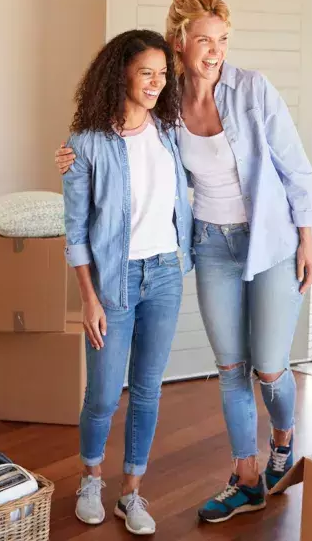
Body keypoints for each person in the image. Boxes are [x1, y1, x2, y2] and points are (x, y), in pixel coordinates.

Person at [56, 0, 312, 524]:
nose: (216, 50)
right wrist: (75, 153)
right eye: (205, 39)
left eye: (223, 39)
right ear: (180, 42)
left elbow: (295, 167)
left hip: (267, 241)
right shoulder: (167, 102)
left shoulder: (252, 90)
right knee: (228, 368)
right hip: (209, 245)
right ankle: (246, 477)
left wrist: (308, 238)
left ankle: (284, 442)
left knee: (269, 367)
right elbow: (120, 140)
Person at [62, 29, 194, 536]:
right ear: (121, 73)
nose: (158, 83)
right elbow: (75, 231)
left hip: (164, 274)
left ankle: (132, 492)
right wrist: (88, 298)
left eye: (163, 74)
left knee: (146, 391)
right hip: (112, 283)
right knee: (102, 393)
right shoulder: (86, 144)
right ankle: (91, 477)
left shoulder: (169, 130)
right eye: (147, 73)